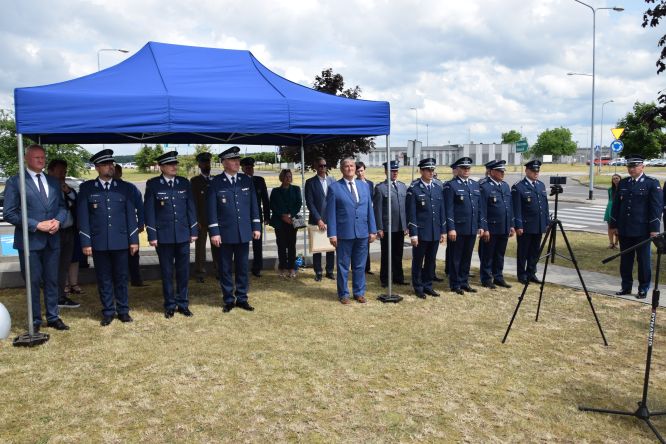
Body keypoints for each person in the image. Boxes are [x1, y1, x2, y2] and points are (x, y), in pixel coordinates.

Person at [4, 144, 69, 331]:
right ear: (26, 159)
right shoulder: (16, 182)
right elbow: (9, 213)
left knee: (52, 280)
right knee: (33, 282)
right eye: (37, 158)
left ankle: (53, 316)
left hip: (52, 240)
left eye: (43, 157)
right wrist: (36, 224)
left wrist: (58, 220)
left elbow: (62, 207)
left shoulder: (53, 181)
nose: (41, 161)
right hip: (30, 242)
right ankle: (35, 320)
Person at [78, 149, 139, 326]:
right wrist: (86, 242)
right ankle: (107, 311)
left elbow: (130, 215)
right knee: (104, 278)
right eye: (105, 164)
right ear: (97, 167)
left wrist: (133, 240)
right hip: (98, 242)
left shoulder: (124, 188)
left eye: (111, 164)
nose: (110, 167)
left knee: (121, 277)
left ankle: (123, 310)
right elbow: (83, 217)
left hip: (121, 241)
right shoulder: (87, 188)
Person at [144, 151, 198, 318]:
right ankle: (169, 305)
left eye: (175, 163)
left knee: (183, 271)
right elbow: (149, 211)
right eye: (170, 164)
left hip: (182, 235)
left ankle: (183, 303)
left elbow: (191, 207)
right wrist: (152, 235)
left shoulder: (183, 183)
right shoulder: (153, 184)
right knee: (167, 272)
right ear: (161, 167)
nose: (175, 166)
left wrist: (193, 230)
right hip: (164, 236)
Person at [207, 146, 261, 313]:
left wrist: (256, 226)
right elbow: (211, 209)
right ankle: (229, 299)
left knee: (243, 267)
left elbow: (253, 205)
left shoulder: (246, 180)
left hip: (243, 231)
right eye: (232, 160)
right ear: (224, 163)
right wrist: (214, 232)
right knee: (225, 268)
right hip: (224, 233)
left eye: (237, 159)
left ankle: (242, 298)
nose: (237, 162)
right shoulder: (215, 182)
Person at [610, 155, 662, 299]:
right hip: (625, 229)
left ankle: (643, 288)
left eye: (634, 166)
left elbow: (656, 208)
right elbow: (616, 206)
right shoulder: (624, 183)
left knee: (643, 261)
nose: (631, 169)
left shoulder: (652, 183)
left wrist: (654, 229)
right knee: (625, 260)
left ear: (642, 167)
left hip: (642, 230)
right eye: (629, 167)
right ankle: (626, 287)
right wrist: (614, 224)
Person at [327, 157, 377, 304]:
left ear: (355, 168)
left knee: (360, 265)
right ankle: (343, 294)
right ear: (342, 169)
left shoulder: (364, 186)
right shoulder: (334, 188)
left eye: (352, 166)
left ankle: (359, 292)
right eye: (346, 166)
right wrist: (332, 234)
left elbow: (369, 210)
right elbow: (331, 213)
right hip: (344, 234)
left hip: (362, 232)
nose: (350, 168)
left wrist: (372, 230)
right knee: (343, 266)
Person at [406, 158, 446, 298]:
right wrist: (413, 234)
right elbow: (411, 213)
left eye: (432, 170)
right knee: (418, 260)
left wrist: (443, 231)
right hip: (421, 232)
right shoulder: (414, 189)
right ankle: (418, 286)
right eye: (428, 170)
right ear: (421, 171)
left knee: (431, 260)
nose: (431, 172)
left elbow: (441, 211)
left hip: (435, 231)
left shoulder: (437, 188)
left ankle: (428, 285)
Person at [443, 157, 483, 295]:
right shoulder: (451, 185)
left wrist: (480, 225)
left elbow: (478, 208)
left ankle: (464, 281)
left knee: (467, 256)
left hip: (471, 228)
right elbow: (448, 209)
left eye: (468, 168)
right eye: (464, 168)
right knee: (456, 257)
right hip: (458, 229)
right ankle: (455, 283)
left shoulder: (474, 185)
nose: (466, 170)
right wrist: (451, 228)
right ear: (458, 169)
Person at [47, 159, 81, 308]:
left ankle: (61, 296)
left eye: (65, 172)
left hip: (69, 230)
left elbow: (75, 199)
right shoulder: (46, 187)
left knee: (64, 264)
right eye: (60, 171)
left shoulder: (65, 186)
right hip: (54, 232)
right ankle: (55, 296)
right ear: (51, 171)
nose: (63, 174)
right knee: (54, 266)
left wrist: (67, 190)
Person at [511, 159, 550, 285]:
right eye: (533, 171)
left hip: (538, 225)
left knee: (535, 251)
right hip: (526, 225)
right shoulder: (519, 187)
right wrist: (518, 225)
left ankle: (531, 272)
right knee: (523, 251)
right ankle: (522, 274)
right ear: (526, 171)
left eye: (537, 171)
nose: (536, 173)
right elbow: (516, 209)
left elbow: (544, 205)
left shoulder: (540, 185)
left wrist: (546, 222)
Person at [478, 160, 514, 289]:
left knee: (500, 254)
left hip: (503, 226)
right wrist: (485, 228)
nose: (502, 173)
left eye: (503, 171)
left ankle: (498, 277)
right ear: (492, 171)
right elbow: (482, 209)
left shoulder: (505, 186)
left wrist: (511, 225)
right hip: (491, 228)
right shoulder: (484, 186)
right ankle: (486, 278)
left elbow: (509, 207)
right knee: (487, 255)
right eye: (500, 171)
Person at [373, 160, 409, 288]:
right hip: (387, 228)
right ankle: (385, 279)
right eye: (392, 171)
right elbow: (377, 210)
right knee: (386, 254)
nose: (394, 173)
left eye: (396, 171)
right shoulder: (380, 188)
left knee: (398, 254)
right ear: (386, 172)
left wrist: (406, 225)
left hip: (400, 227)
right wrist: (379, 228)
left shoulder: (402, 186)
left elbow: (405, 208)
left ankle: (398, 277)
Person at [304, 157, 336, 281]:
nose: (323, 168)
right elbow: (310, 203)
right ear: (316, 167)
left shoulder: (332, 181)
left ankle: (329, 271)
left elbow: (334, 200)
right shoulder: (310, 182)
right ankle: (318, 272)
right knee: (317, 248)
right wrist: (318, 219)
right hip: (316, 220)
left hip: (330, 220)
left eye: (324, 165)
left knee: (330, 247)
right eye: (320, 166)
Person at [115, 164, 146, 287]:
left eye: (116, 172)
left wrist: (141, 222)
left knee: (133, 254)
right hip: (114, 229)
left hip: (130, 227)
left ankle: (136, 279)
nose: (114, 175)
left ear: (121, 173)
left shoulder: (131, 188)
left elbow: (140, 206)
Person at [191, 152, 219, 283]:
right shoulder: (195, 181)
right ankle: (200, 273)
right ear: (199, 165)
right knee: (200, 248)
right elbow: (193, 202)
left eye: (207, 162)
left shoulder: (216, 180)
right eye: (203, 162)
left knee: (218, 247)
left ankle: (219, 270)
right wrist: (195, 219)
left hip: (215, 221)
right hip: (201, 221)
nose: (206, 165)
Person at [269, 169, 302, 278]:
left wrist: (290, 215)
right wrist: (282, 216)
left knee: (292, 245)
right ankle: (282, 267)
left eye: (290, 176)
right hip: (279, 221)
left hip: (292, 221)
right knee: (282, 245)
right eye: (287, 176)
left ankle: (292, 267)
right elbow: (272, 205)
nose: (289, 178)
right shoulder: (275, 191)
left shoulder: (296, 189)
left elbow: (298, 203)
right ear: (282, 178)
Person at [241, 157, 270, 277]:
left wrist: (267, 216)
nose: (250, 169)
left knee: (257, 245)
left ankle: (257, 268)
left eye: (251, 167)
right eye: (247, 167)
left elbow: (265, 200)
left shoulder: (259, 180)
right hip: (243, 218)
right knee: (243, 245)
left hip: (257, 217)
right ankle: (242, 268)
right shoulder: (239, 180)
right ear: (242, 168)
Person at [355, 161, 375, 275]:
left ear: (364, 170)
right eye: (358, 171)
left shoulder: (370, 184)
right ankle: (357, 267)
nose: (360, 173)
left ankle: (367, 267)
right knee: (359, 243)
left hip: (369, 215)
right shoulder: (354, 183)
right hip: (360, 216)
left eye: (361, 170)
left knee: (366, 243)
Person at [604, 174, 622, 249]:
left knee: (618, 227)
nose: (615, 180)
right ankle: (611, 243)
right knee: (610, 226)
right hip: (610, 208)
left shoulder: (623, 189)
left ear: (620, 179)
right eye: (614, 179)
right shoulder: (610, 189)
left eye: (617, 178)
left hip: (619, 209)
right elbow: (610, 199)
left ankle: (616, 243)